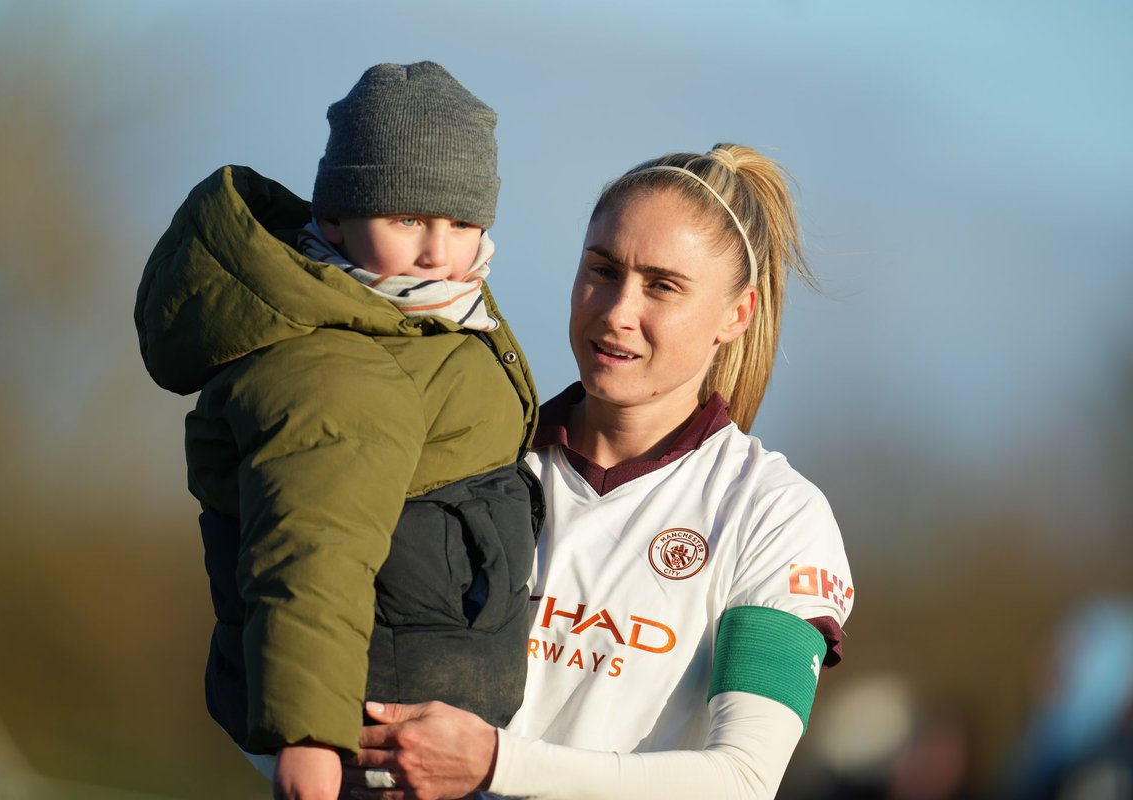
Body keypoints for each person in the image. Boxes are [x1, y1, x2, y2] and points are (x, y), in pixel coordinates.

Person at [350, 143, 855, 800]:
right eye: (604, 270)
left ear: (737, 315)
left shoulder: (773, 512)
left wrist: (496, 764)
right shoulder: (472, 456)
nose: (618, 310)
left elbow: (743, 778)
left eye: (663, 286)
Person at [133, 61, 540, 800]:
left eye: (462, 221)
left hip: (427, 714)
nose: (437, 251)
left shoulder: (426, 308)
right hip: (366, 735)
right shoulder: (337, 368)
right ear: (334, 220)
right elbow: (312, 551)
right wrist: (309, 738)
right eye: (407, 218)